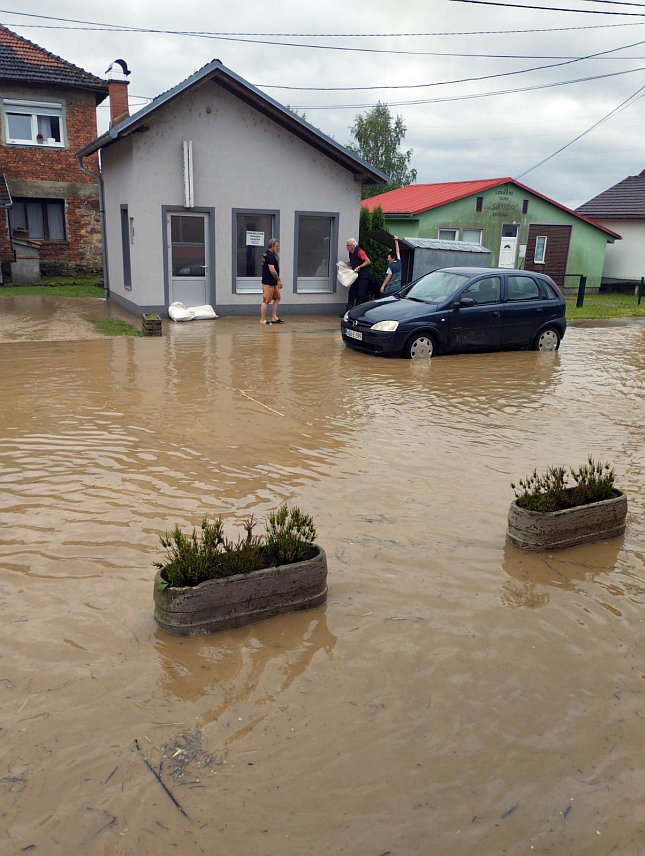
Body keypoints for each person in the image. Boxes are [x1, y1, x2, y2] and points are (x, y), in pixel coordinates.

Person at [260, 238, 283, 325]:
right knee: (266, 301)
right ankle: (262, 320)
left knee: (277, 298)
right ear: (272, 246)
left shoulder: (266, 254)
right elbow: (272, 270)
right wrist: (279, 280)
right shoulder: (269, 256)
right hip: (268, 283)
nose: (278, 247)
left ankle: (274, 317)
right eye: (277, 246)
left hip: (273, 283)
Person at [345, 238, 371, 312]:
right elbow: (353, 261)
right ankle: (348, 312)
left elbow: (368, 261)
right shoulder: (351, 252)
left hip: (363, 276)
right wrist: (344, 264)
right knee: (351, 293)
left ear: (353, 245)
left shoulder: (360, 252)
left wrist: (359, 267)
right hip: (355, 276)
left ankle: (369, 307)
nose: (347, 247)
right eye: (346, 245)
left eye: (348, 245)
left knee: (361, 294)